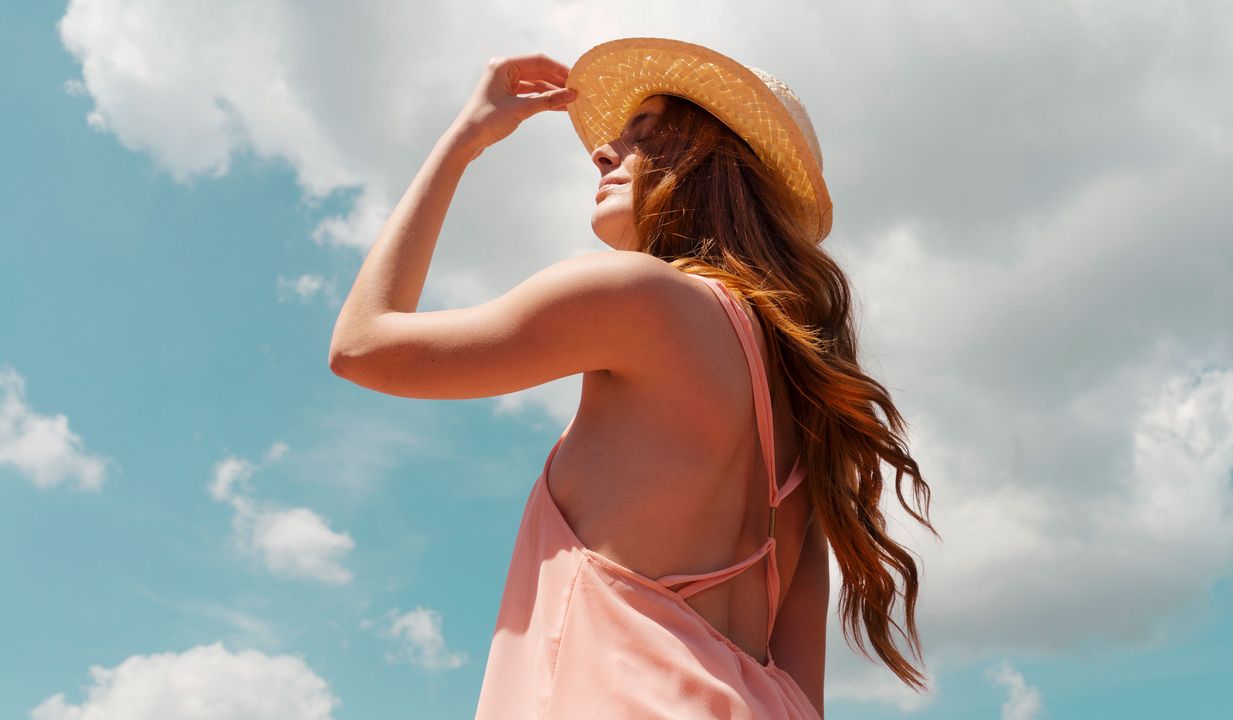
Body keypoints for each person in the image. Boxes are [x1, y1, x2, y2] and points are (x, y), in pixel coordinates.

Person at [329, 37, 936, 719]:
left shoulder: (633, 295)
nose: (603, 151)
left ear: (715, 167)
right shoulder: (808, 414)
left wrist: (463, 140)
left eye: (645, 136)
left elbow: (360, 346)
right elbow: (803, 694)